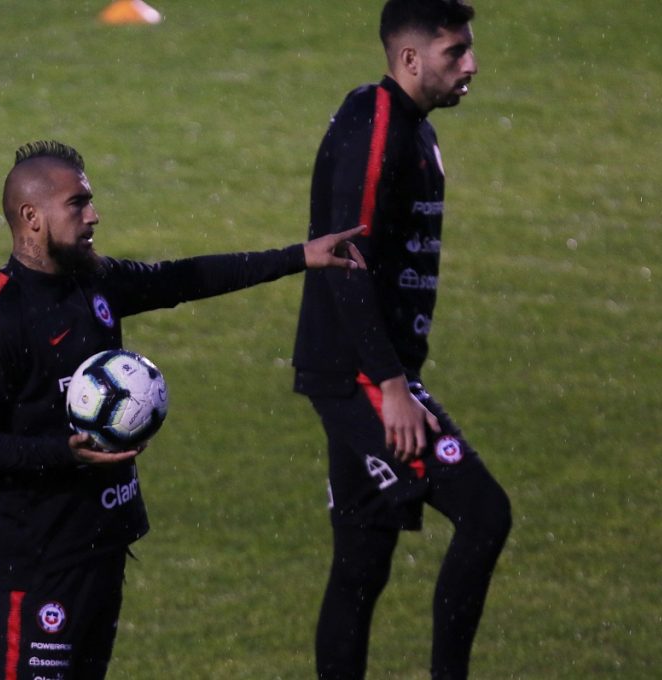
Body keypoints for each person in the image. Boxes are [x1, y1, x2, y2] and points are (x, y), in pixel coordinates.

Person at [0, 139, 365, 680]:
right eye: (78, 203)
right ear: (31, 216)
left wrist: (298, 257)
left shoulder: (91, 280)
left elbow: (181, 279)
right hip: (40, 563)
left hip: (103, 544)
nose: (94, 214)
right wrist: (63, 452)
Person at [292, 1, 512, 678]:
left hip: (362, 369)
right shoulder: (377, 122)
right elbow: (345, 258)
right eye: (455, 52)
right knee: (485, 514)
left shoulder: (409, 125)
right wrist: (390, 386)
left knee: (362, 562)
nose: (471, 64)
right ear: (410, 58)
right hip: (361, 376)